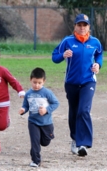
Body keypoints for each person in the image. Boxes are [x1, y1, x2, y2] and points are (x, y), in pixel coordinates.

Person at [52, 14, 103, 157]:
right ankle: (75, 139)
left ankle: (83, 143)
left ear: (89, 27)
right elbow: (54, 56)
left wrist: (98, 65)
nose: (82, 28)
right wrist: (63, 55)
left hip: (89, 81)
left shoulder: (95, 42)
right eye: (79, 25)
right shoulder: (67, 41)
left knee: (84, 110)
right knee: (74, 112)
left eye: (84, 25)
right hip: (71, 82)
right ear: (75, 26)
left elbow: (99, 55)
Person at [19, 67, 59, 167]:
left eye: (39, 83)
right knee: (35, 141)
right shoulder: (28, 93)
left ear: (43, 82)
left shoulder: (47, 93)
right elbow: (26, 105)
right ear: (30, 80)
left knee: (45, 142)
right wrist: (23, 110)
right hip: (33, 122)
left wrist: (46, 110)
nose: (36, 85)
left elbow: (56, 103)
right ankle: (35, 161)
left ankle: (48, 135)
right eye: (34, 82)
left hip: (46, 122)